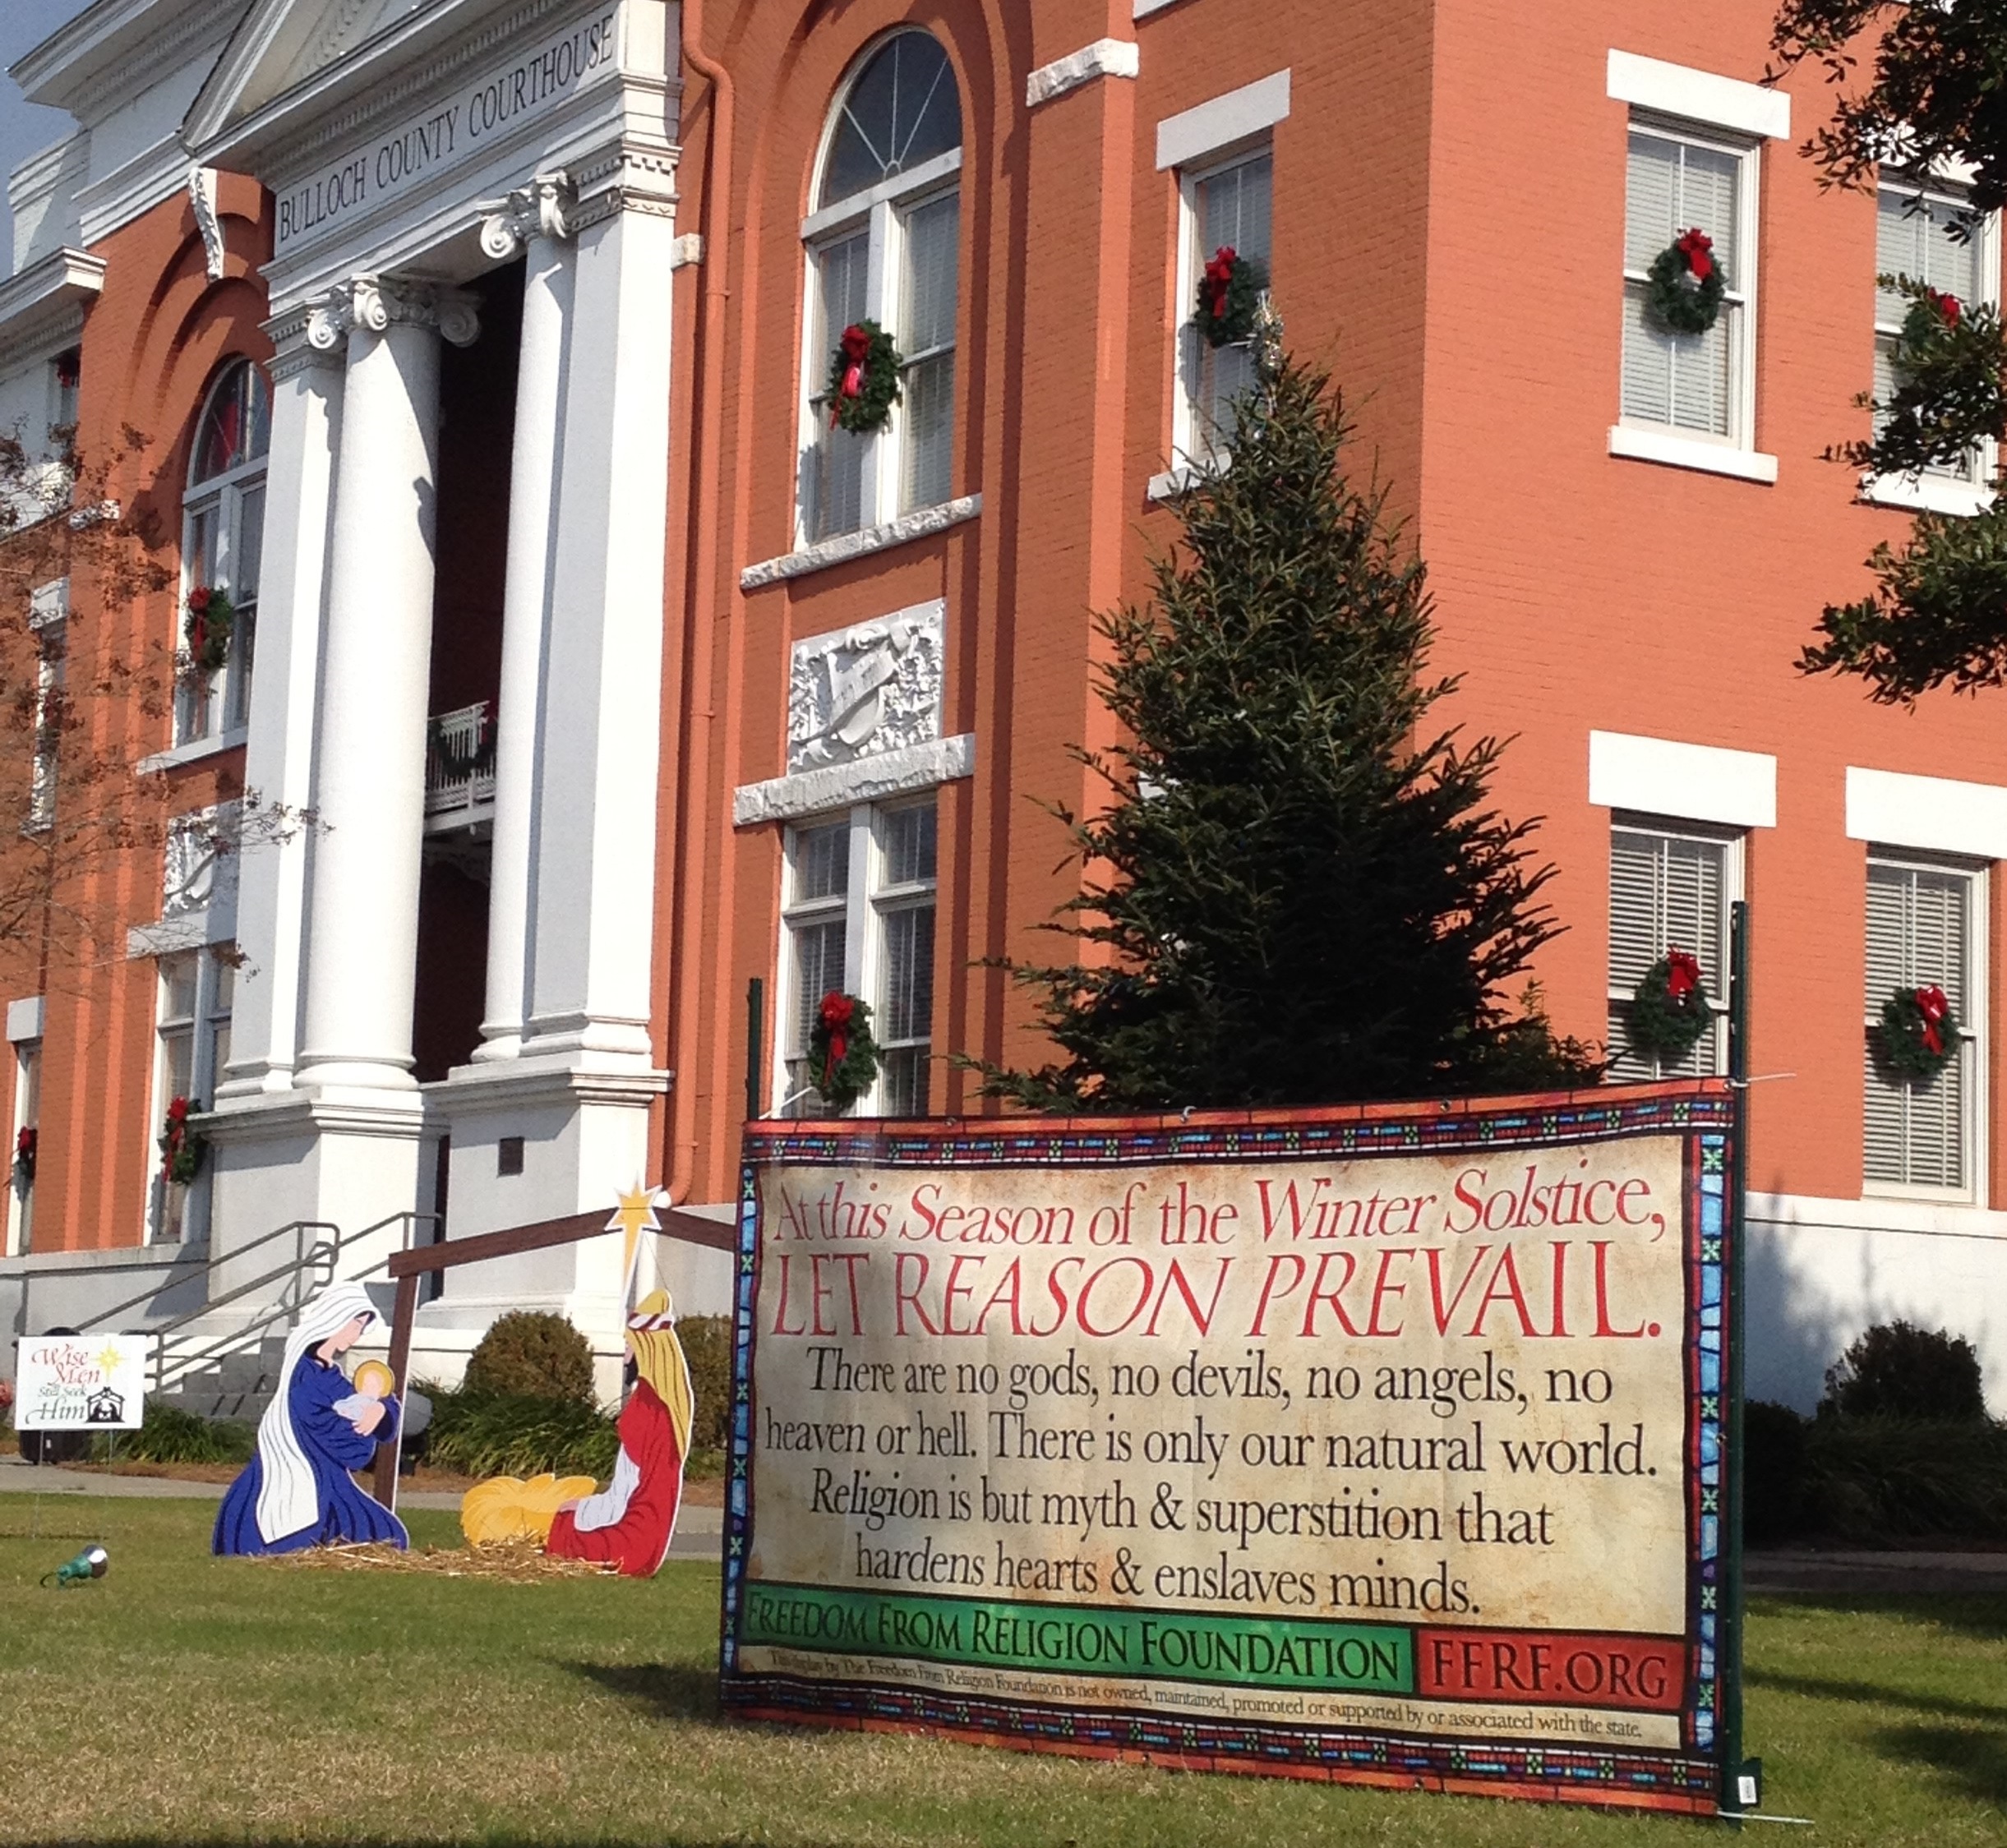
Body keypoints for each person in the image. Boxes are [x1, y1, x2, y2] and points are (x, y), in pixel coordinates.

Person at [214, 1281, 409, 1555]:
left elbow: (368, 1411)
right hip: (302, 1473)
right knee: (365, 1535)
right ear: (335, 1319)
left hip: (328, 1477)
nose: (356, 1335)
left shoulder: (329, 1374)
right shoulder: (305, 1377)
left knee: (387, 1537)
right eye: (354, 1325)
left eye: (361, 1328)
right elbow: (336, 1436)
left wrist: (380, 1410)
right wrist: (362, 1431)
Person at [546, 1291, 692, 1577]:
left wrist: (584, 1509)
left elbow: (625, 1494)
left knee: (564, 1522)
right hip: (653, 1533)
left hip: (634, 1539)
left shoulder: (646, 1409)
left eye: (629, 1346)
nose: (625, 1358)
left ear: (645, 1348)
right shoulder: (667, 1408)